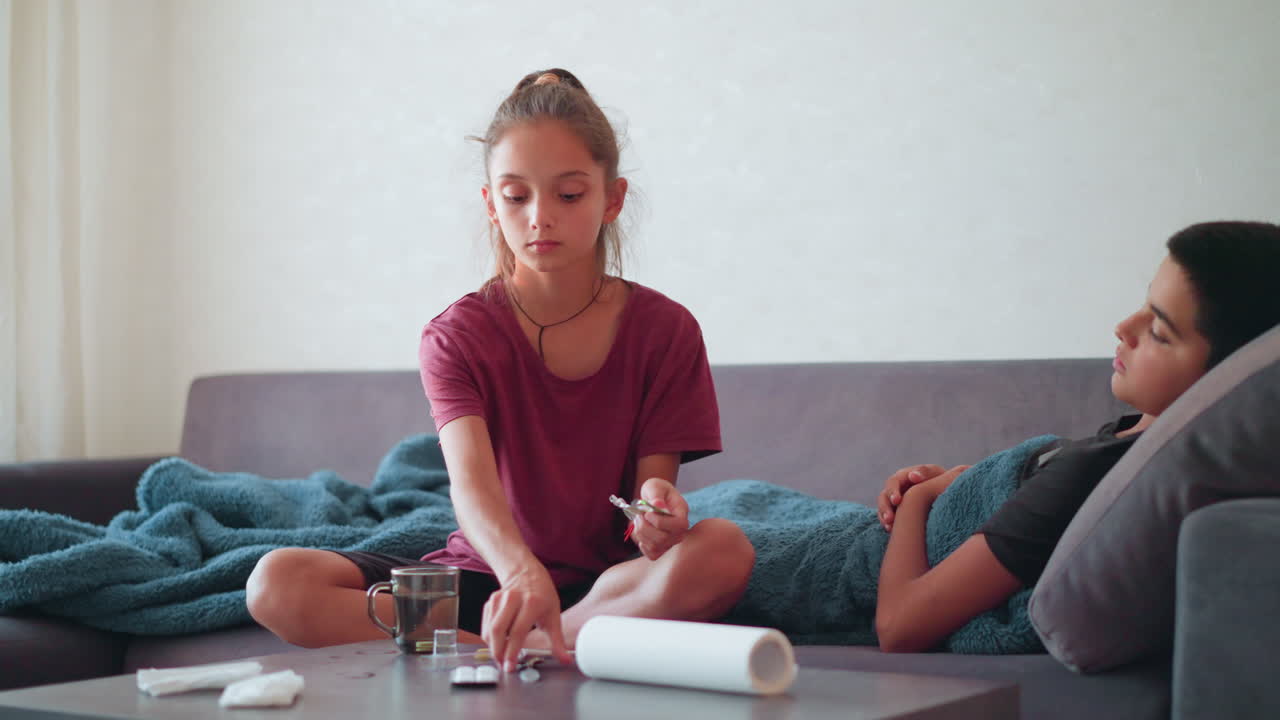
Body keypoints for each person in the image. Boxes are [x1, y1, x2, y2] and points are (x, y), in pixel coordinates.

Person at [246, 68, 755, 671]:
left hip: (607, 590)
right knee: (276, 583)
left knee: (724, 549)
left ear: (611, 199)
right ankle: (518, 646)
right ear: (492, 203)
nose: (540, 217)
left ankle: (534, 645)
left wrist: (657, 519)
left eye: (568, 195)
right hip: (491, 583)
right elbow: (473, 488)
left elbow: (650, 498)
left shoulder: (666, 331)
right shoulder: (457, 337)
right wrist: (521, 574)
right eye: (517, 197)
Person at [872, 220, 1280, 652]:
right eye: (1145, 303)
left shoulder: (1094, 476)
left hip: (858, 559)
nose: (1124, 327)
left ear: (1223, 382)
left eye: (1159, 331)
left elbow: (900, 625)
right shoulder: (1121, 446)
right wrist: (960, 483)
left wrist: (919, 499)